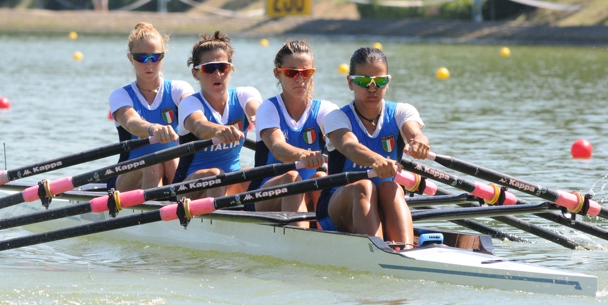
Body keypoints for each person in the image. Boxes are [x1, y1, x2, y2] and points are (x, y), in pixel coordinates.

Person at [316, 47, 430, 248]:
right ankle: (378, 252)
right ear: (350, 82)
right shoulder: (336, 117)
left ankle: (404, 250)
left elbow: (415, 134)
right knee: (364, 186)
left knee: (389, 186)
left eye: (379, 81)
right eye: (363, 81)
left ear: (388, 82)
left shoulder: (402, 112)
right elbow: (349, 146)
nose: (372, 88)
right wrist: (377, 160)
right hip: (337, 208)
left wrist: (420, 142)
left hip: (384, 200)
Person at [246, 40, 333, 227]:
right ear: (277, 73)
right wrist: (304, 155)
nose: (299, 79)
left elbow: (342, 138)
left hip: (305, 190)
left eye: (305, 72)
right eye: (291, 73)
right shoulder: (268, 108)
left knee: (321, 179)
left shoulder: (324, 110)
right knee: (293, 177)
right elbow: (278, 148)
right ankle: (300, 236)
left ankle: (329, 233)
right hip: (264, 195)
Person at [173, 31, 262, 199]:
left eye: (222, 67)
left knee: (256, 175)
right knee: (215, 174)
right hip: (188, 189)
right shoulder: (190, 103)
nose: (217, 74)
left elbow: (257, 111)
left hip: (229, 182)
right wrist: (219, 130)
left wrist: (261, 119)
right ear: (195, 73)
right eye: (209, 68)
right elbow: (199, 126)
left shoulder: (245, 95)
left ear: (231, 69)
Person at [109, 22, 194, 191]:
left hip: (172, 169)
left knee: (171, 159)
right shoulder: (121, 96)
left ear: (162, 57)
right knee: (152, 164)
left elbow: (194, 113)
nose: (149, 64)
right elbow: (131, 122)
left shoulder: (179, 89)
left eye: (155, 57)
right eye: (142, 58)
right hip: (129, 176)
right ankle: (158, 205)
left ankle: (172, 201)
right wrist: (153, 129)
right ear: (130, 58)